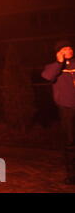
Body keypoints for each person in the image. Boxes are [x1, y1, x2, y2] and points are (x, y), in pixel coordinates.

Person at [42, 40, 75, 185]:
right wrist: (58, 62)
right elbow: (48, 77)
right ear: (59, 52)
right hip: (67, 108)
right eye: (65, 49)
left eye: (70, 48)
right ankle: (72, 175)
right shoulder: (53, 67)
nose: (69, 50)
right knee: (71, 142)